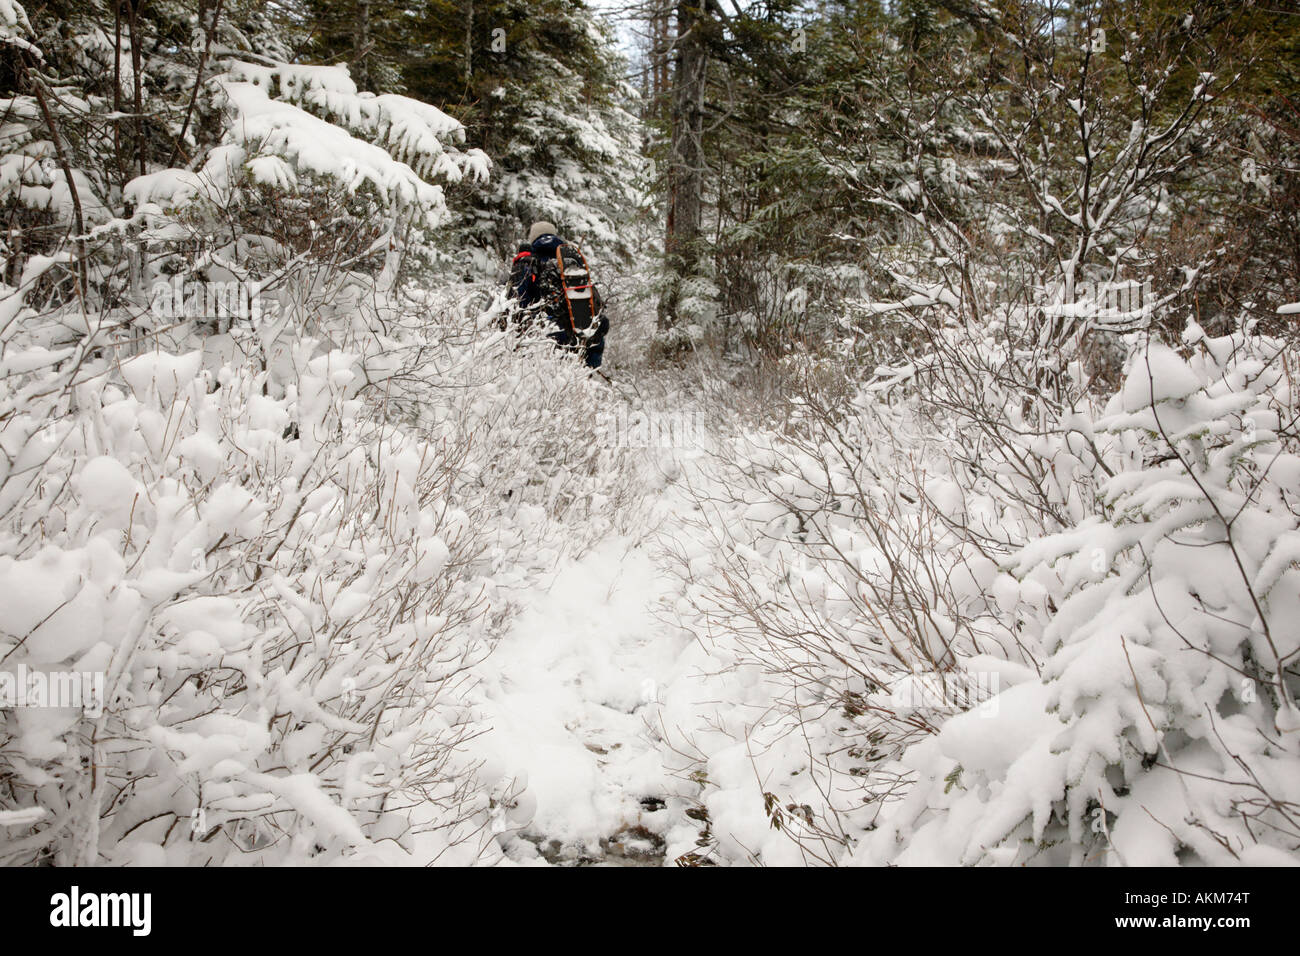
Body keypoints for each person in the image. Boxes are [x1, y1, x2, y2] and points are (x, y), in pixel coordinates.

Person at [505, 221, 610, 369]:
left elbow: (517, 304)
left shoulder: (526, 263)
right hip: (575, 336)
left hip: (543, 339)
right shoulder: (570, 263)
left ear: (532, 238)